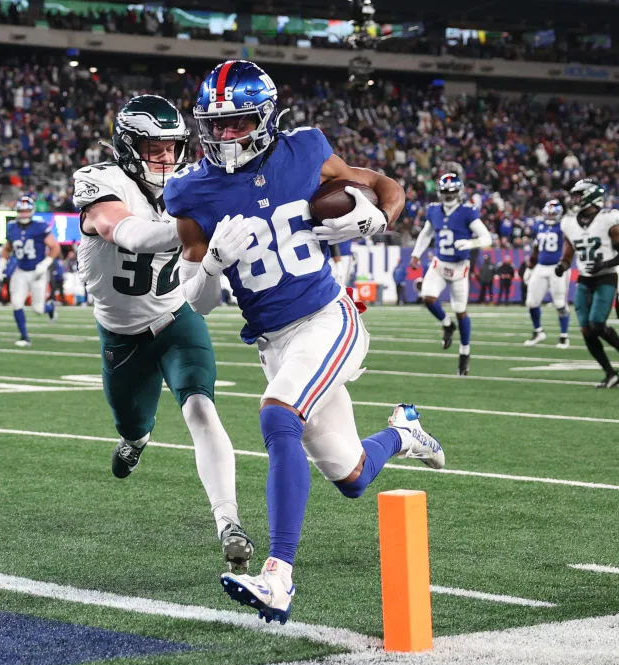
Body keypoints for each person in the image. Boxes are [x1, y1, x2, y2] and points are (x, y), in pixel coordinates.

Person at [163, 60, 444, 625]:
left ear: (264, 118)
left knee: (276, 416)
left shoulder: (306, 149)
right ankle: (404, 432)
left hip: (326, 317)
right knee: (352, 475)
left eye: (238, 123)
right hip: (274, 342)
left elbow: (388, 185)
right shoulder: (189, 189)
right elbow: (196, 300)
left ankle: (278, 577)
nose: (225, 136)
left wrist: (377, 219)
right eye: (215, 125)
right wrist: (214, 263)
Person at [71, 94, 253, 570]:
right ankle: (136, 441)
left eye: (173, 148)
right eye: (155, 149)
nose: (167, 159)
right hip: (122, 335)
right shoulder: (101, 181)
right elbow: (128, 233)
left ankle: (229, 521)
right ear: (129, 147)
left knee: (201, 410)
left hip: (177, 320)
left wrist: (211, 261)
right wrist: (191, 227)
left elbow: (203, 300)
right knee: (132, 423)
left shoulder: (192, 185)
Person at [556, 179, 619, 388]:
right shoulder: (569, 222)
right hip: (584, 278)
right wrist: (563, 265)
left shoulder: (608, 218)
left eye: (578, 195)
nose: (574, 199)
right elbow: (569, 251)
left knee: (597, 323)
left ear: (591, 195)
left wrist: (604, 264)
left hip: (606, 277)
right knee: (586, 329)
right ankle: (610, 373)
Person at [409, 172, 492, 375]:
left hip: (459, 268)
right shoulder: (434, 210)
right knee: (428, 298)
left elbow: (487, 238)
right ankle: (447, 324)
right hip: (439, 264)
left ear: (460, 192)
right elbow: (426, 233)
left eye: (452, 192)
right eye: (445, 192)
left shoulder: (467, 211)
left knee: (461, 310)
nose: (448, 195)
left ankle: (464, 352)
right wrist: (416, 254)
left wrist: (471, 243)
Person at [0, 195, 61, 346]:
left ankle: (50, 307)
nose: (23, 214)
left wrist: (45, 264)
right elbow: (8, 248)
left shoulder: (40, 226)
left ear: (31, 211)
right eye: (21, 211)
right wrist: (1, 263)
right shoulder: (11, 226)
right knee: (16, 303)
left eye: (26, 211)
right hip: (21, 270)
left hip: (37, 271)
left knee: (38, 309)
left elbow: (55, 247)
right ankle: (24, 337)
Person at [523, 199, 571, 348]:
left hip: (557, 267)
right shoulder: (539, 226)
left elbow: (570, 246)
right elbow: (536, 248)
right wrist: (530, 267)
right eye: (548, 214)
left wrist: (564, 264)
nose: (550, 216)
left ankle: (564, 336)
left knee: (559, 303)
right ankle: (538, 332)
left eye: (553, 214)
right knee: (531, 302)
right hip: (541, 266)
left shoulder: (564, 227)